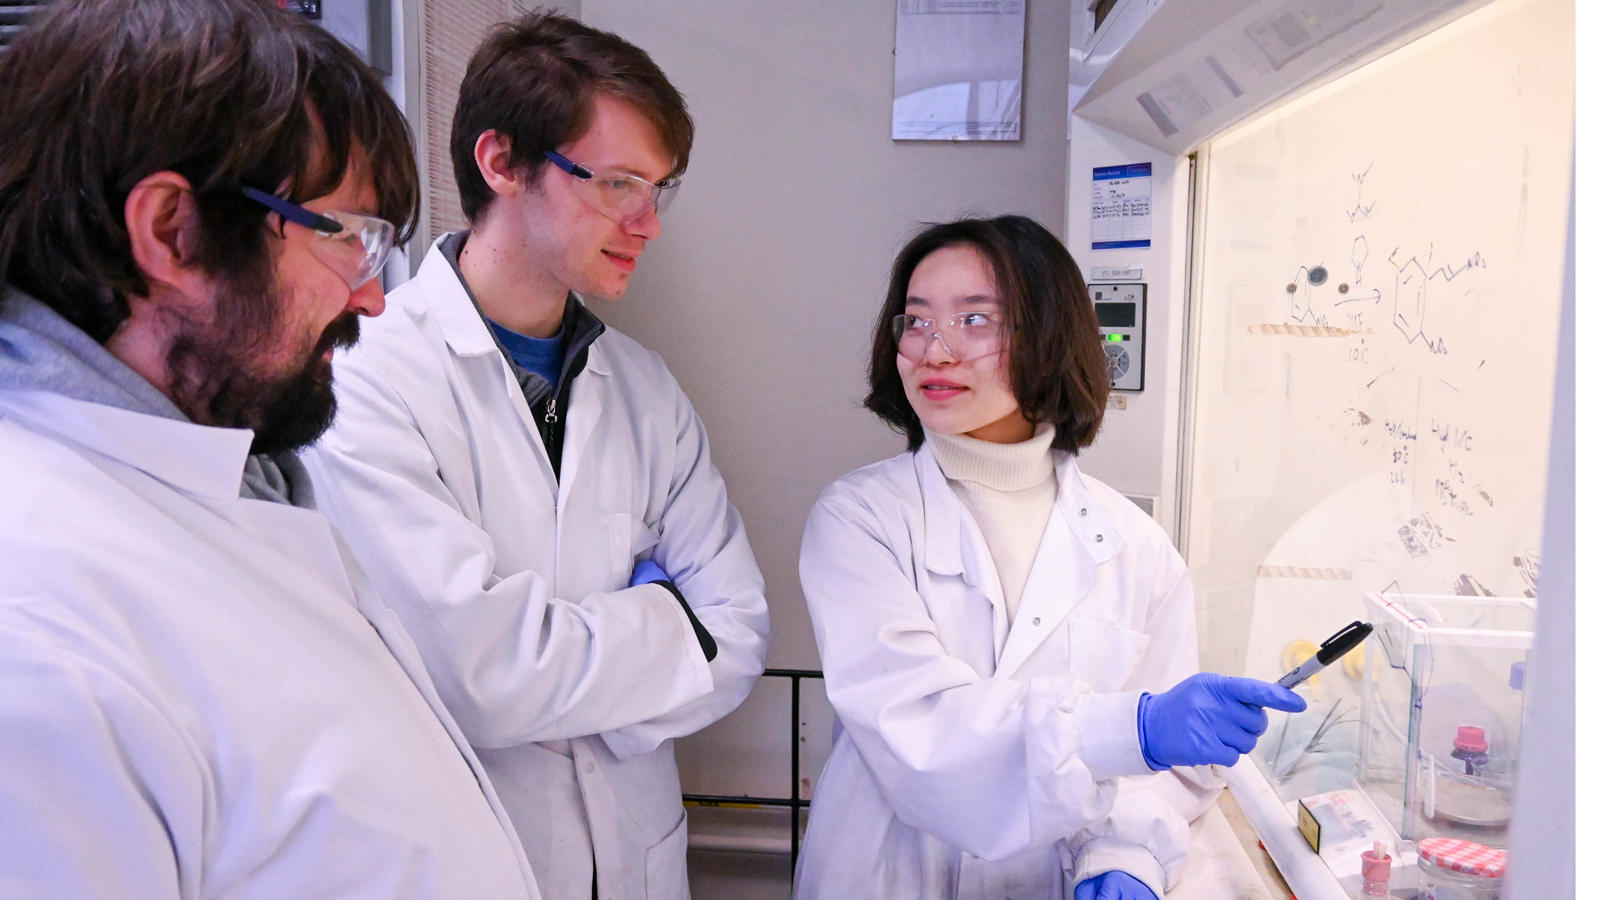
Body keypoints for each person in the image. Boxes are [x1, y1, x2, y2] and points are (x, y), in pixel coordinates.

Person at [0, 1, 542, 898]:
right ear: (173, 230)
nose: (373, 301)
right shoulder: (37, 628)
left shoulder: (232, 483)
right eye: (354, 241)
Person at [299, 12, 770, 900]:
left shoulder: (645, 391)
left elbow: (740, 634)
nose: (647, 223)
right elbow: (479, 679)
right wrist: (667, 630)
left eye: (658, 189)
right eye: (620, 182)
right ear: (503, 162)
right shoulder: (369, 375)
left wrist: (552, 679)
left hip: (636, 858)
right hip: (465, 856)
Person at [794, 216, 1306, 900]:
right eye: (914, 322)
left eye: (975, 320)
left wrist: (1127, 856)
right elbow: (917, 727)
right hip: (891, 876)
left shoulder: (1136, 547)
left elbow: (1171, 779)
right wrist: (1137, 725)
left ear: (1049, 336)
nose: (934, 351)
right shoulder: (860, 519)